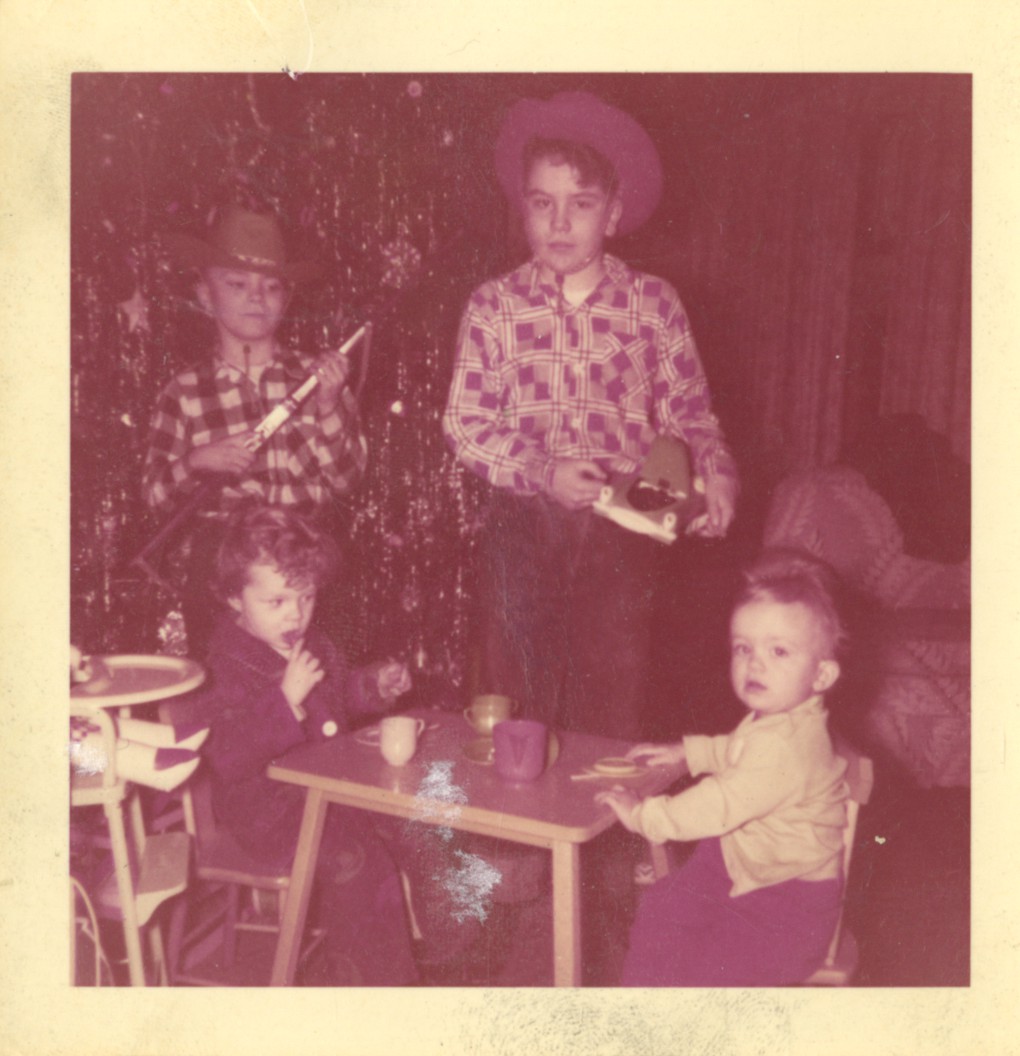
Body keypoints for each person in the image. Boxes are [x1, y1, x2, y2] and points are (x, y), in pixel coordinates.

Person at [442, 91, 738, 740]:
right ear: (523, 208)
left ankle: (600, 807)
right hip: (523, 520)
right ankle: (514, 807)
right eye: (542, 203)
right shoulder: (494, 306)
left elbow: (690, 410)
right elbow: (465, 422)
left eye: (581, 204)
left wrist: (717, 471)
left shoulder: (654, 304)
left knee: (611, 694)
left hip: (624, 524)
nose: (560, 222)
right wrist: (541, 470)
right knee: (514, 693)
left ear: (614, 212)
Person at [597, 549, 851, 986]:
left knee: (706, 969)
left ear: (822, 675)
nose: (755, 662)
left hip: (786, 905)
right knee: (662, 907)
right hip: (742, 865)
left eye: (779, 651)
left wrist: (643, 816)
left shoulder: (786, 747)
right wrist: (688, 753)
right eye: (743, 648)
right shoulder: (781, 720)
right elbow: (737, 751)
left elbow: (718, 802)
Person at [198, 503, 417, 984]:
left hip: (326, 793)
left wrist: (373, 685)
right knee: (356, 862)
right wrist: (284, 701)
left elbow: (335, 699)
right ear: (235, 598)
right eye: (276, 602)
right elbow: (226, 756)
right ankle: (361, 985)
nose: (295, 614)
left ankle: (412, 965)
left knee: (415, 826)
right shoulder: (224, 665)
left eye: (306, 597)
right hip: (269, 813)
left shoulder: (313, 643)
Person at [142, 203, 367, 655]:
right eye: (237, 284)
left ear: (287, 298)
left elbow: (347, 480)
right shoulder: (183, 391)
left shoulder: (317, 377)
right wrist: (196, 462)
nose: (257, 298)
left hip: (305, 558)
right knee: (224, 678)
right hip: (222, 571)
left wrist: (328, 406)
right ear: (205, 295)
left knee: (317, 675)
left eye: (271, 287)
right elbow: (154, 495)